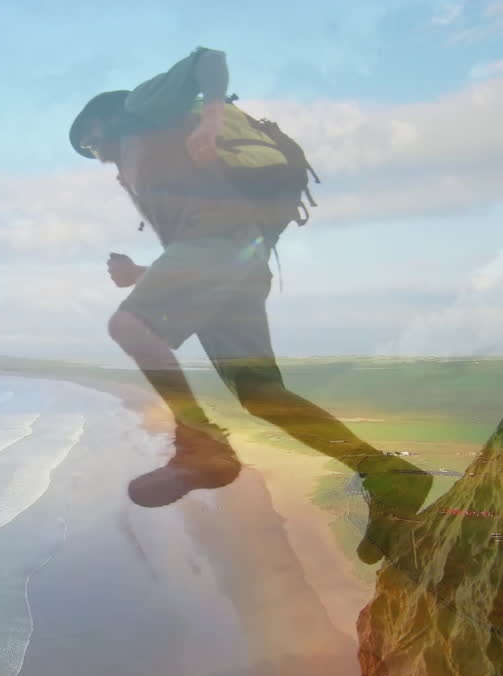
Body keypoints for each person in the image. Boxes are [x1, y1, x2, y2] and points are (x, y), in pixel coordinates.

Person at [69, 47, 432, 563]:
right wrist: (141, 275)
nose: (94, 153)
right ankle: (388, 475)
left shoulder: (144, 106)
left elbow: (207, 59)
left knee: (129, 325)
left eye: (90, 140)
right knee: (262, 395)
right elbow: (197, 247)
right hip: (234, 261)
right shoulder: (149, 165)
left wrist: (212, 118)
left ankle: (198, 442)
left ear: (105, 118)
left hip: (223, 249)